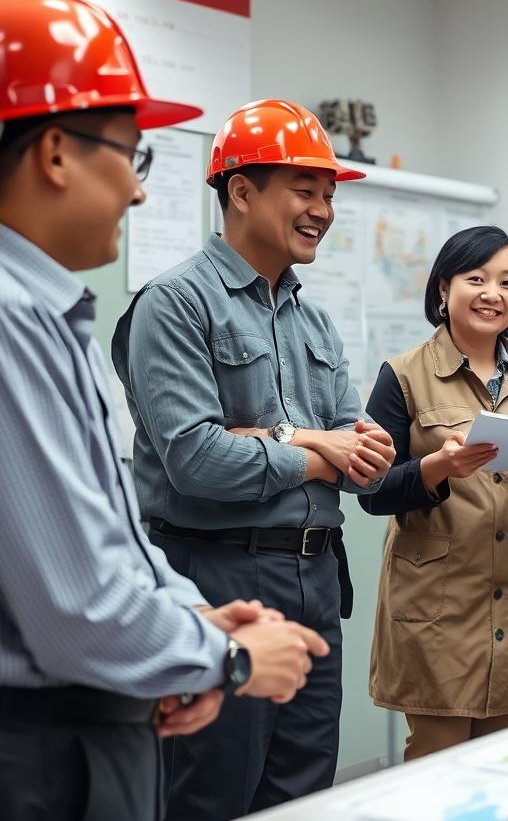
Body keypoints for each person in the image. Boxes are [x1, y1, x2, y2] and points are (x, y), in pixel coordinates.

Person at [0, 0, 328, 821]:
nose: (139, 192)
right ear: (56, 155)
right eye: (130, 157)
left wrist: (195, 627)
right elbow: (76, 603)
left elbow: (108, 535)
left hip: (110, 694)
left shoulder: (47, 311)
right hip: (39, 741)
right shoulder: (17, 320)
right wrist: (223, 658)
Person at [111, 99, 396, 820]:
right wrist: (311, 443)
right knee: (213, 794)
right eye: (306, 189)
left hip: (316, 576)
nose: (323, 210)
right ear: (241, 190)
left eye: (329, 194)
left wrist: (289, 441)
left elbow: (356, 455)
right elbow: (197, 462)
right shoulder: (175, 304)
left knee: (303, 793)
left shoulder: (314, 317)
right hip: (219, 574)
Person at [359, 225, 508, 760]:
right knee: (437, 762)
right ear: (442, 288)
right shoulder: (404, 374)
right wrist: (437, 467)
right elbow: (372, 488)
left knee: (507, 761)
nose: (493, 293)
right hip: (438, 603)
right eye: (476, 278)